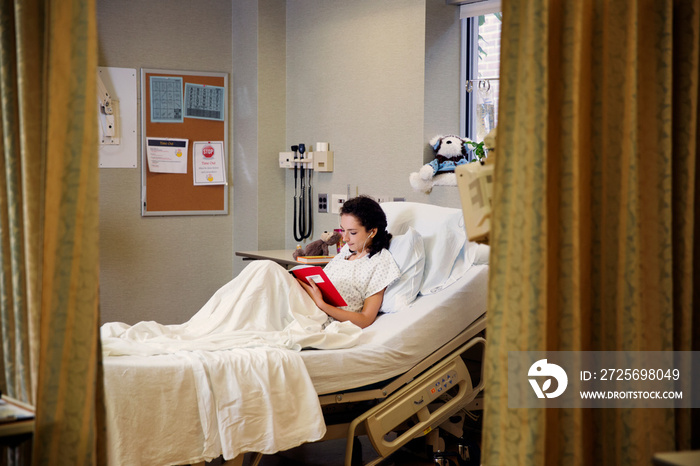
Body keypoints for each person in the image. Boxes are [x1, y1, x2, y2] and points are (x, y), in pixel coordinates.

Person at [297, 195, 400, 329]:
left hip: (319, 315)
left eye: (352, 232)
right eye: (343, 230)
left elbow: (365, 319)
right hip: (305, 303)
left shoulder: (380, 262)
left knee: (268, 270)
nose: (344, 238)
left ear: (373, 231)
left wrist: (322, 304)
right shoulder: (345, 253)